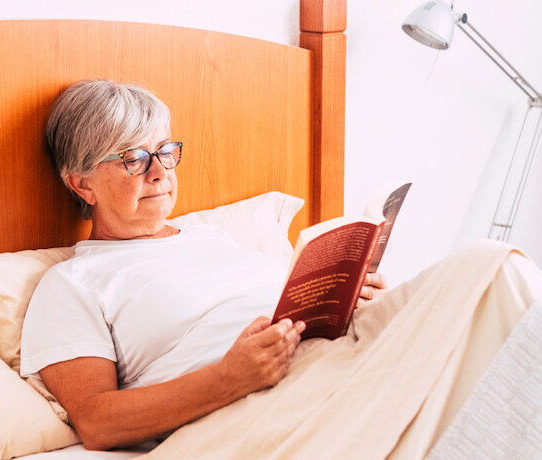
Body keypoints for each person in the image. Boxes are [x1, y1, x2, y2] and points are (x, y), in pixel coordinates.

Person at [20, 79, 388, 451]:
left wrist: (346, 296)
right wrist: (230, 378)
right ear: (83, 185)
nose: (160, 172)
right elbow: (97, 422)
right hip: (264, 405)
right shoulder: (72, 282)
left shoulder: (214, 237)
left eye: (165, 151)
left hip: (337, 359)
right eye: (133, 159)